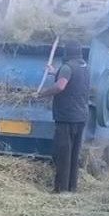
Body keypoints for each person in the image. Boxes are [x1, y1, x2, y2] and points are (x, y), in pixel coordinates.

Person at [38, 40, 90, 193]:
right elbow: (71, 78)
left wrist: (41, 94)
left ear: (67, 53)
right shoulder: (84, 66)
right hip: (81, 116)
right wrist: (55, 72)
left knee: (62, 154)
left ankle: (60, 189)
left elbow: (60, 86)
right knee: (74, 154)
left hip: (66, 117)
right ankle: (72, 187)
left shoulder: (67, 67)